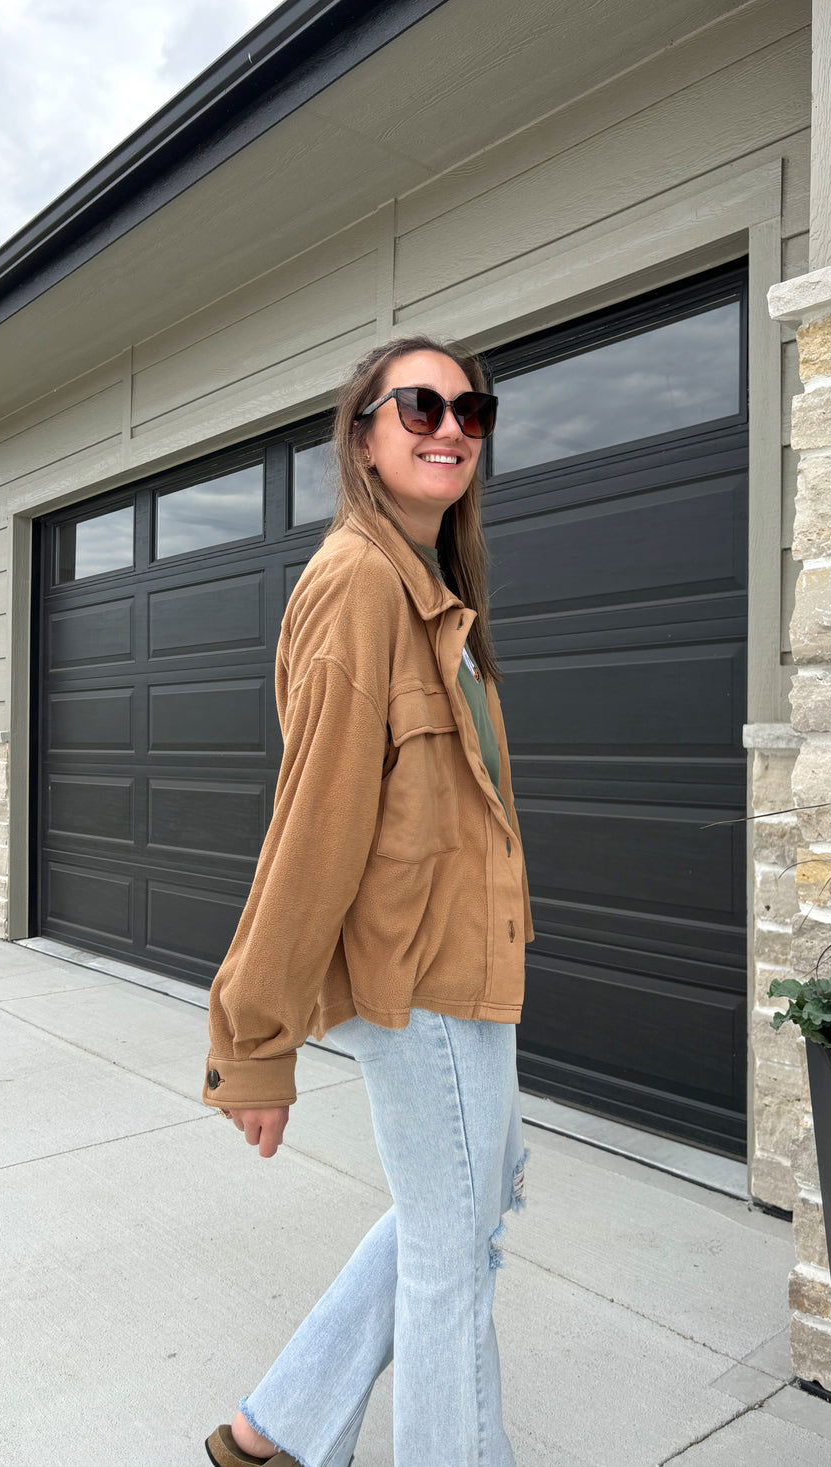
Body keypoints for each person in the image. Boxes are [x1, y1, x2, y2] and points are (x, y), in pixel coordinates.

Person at [200, 333, 535, 1467]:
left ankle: (276, 1427)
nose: (449, 427)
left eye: (469, 411)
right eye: (419, 407)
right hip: (417, 985)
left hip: (462, 970)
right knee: (454, 1255)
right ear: (364, 436)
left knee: (471, 1207)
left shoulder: (430, 589)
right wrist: (253, 1042)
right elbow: (315, 825)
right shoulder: (355, 585)